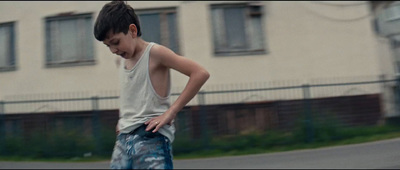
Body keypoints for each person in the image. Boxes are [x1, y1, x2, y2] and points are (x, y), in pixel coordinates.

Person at [94, 1, 210, 169]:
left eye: (116, 42)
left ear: (132, 30)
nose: (113, 50)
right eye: (108, 46)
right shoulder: (121, 60)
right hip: (124, 138)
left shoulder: (155, 53)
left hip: (151, 136)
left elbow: (200, 73)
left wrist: (171, 112)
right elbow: (132, 93)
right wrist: (123, 120)